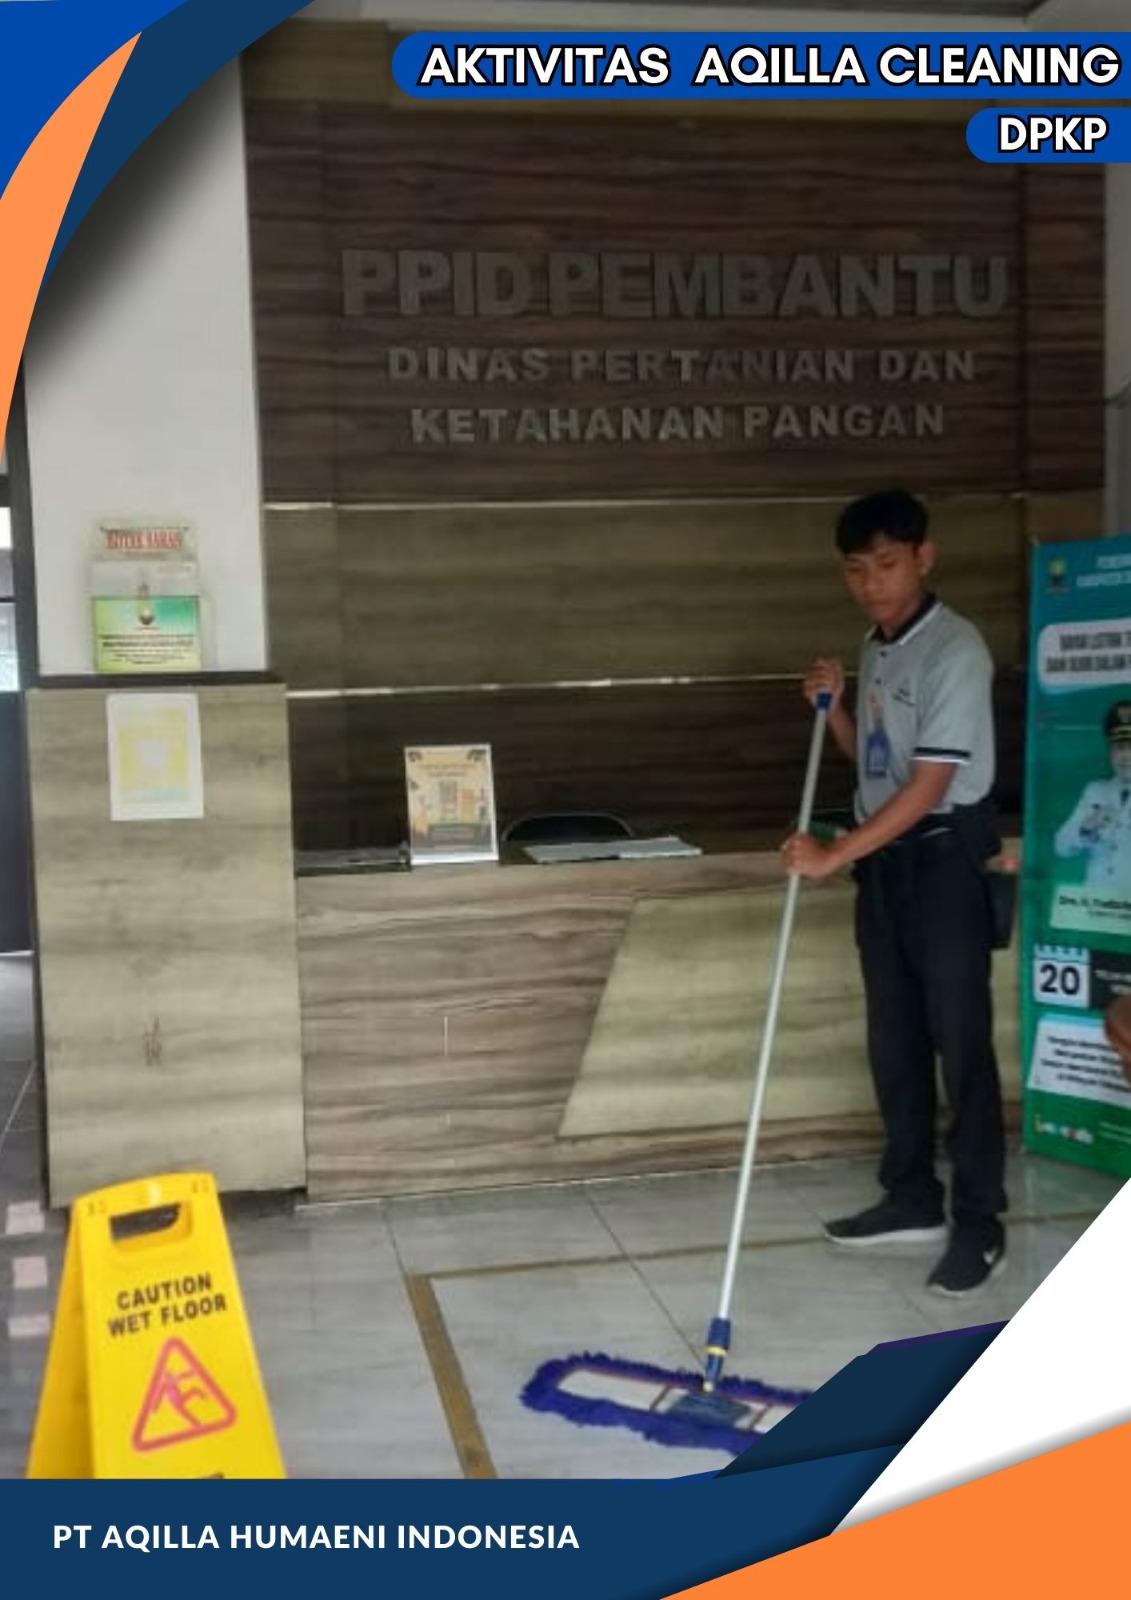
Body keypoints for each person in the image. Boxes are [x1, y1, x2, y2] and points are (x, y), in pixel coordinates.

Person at [782, 488, 1007, 1295]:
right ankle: (910, 1195)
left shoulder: (955, 650)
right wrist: (835, 710)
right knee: (895, 1040)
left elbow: (928, 786)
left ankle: (978, 1221)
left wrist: (832, 854)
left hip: (943, 863)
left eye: (886, 564)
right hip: (887, 869)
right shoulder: (875, 647)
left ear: (923, 557)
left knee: (960, 1043)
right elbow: (877, 764)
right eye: (856, 569)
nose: (871, 583)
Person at [1053, 701, 1131, 890]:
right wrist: (1085, 831)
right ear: (1110, 751)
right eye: (1119, 747)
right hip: (1095, 903)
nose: (1125, 756)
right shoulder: (1096, 791)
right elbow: (1061, 846)